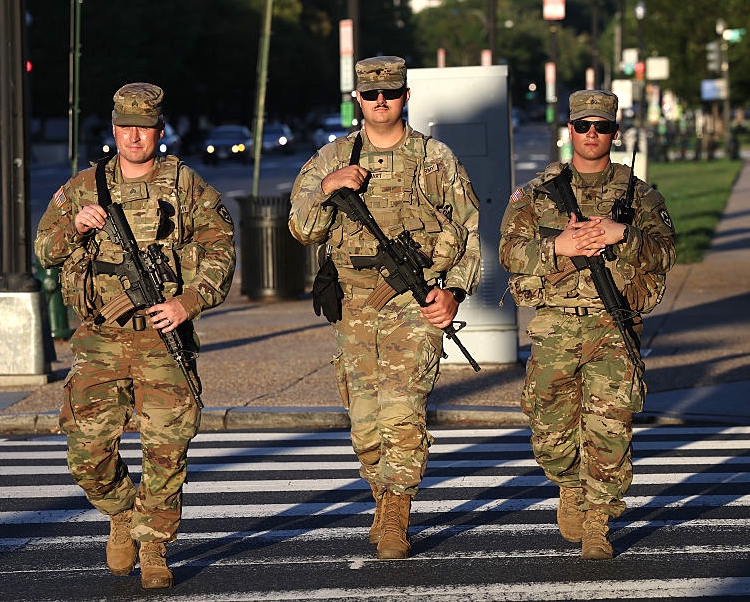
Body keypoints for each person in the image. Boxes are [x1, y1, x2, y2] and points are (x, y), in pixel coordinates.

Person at [34, 82, 235, 588]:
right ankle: (122, 513)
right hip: (100, 339)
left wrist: (187, 302)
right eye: (126, 127)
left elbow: (221, 248)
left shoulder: (185, 185)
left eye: (144, 128)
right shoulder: (84, 186)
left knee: (167, 449)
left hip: (162, 339)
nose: (134, 137)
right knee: (86, 449)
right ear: (114, 129)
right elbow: (44, 249)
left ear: (159, 131)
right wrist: (75, 227)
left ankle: (154, 545)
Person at [289, 56, 481, 559]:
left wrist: (452, 292)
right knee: (364, 425)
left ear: (405, 97)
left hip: (412, 308)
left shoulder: (434, 159)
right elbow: (302, 229)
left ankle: (397, 511)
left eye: (390, 94)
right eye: (371, 95)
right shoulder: (329, 160)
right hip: (355, 308)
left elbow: (467, 231)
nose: (381, 102)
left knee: (402, 413)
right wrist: (329, 190)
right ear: (357, 100)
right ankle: (381, 495)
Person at [498, 89, 676, 559]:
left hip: (613, 327)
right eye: (583, 126)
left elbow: (665, 253)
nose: (592, 134)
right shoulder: (537, 194)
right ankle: (569, 484)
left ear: (614, 133)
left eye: (601, 126)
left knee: (610, 428)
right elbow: (508, 253)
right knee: (550, 431)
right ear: (570, 130)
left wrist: (625, 235)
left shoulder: (640, 195)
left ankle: (598, 520)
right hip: (555, 327)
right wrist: (558, 246)